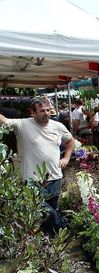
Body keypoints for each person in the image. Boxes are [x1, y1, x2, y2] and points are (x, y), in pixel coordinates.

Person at [0, 97, 74, 233]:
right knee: (42, 209)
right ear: (33, 113)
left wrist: (66, 158)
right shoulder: (22, 125)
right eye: (42, 111)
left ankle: (49, 239)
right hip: (32, 179)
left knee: (50, 211)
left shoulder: (57, 126)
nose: (46, 113)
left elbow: (70, 141)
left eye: (48, 110)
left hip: (54, 176)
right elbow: (3, 120)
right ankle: (64, 224)